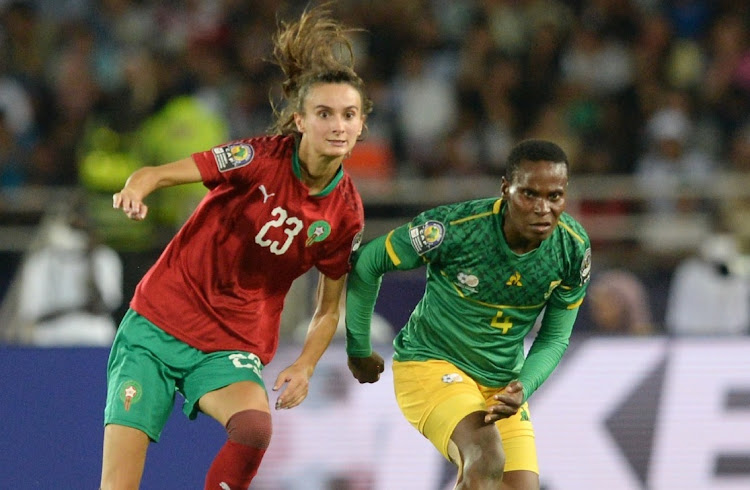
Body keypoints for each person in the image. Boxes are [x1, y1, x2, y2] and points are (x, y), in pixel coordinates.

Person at [100, 5, 371, 489]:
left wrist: (306, 365)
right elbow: (159, 173)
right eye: (324, 113)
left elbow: (329, 307)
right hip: (159, 321)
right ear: (300, 120)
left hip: (231, 343)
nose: (337, 125)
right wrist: (137, 189)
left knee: (253, 426)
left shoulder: (345, 214)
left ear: (361, 124)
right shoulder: (256, 159)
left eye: (348, 115)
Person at [345, 139, 591, 489]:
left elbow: (554, 336)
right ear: (506, 189)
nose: (543, 208)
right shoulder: (456, 229)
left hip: (500, 384)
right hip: (431, 364)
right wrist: (358, 348)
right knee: (485, 457)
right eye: (530, 194)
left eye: (555, 197)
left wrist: (524, 386)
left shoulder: (572, 248)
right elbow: (370, 262)